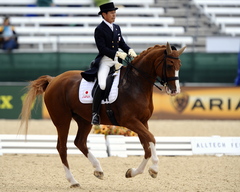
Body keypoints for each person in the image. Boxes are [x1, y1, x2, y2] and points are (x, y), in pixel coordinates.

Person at [81, 2, 137, 125]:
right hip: (105, 62)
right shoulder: (99, 29)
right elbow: (102, 48)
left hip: (117, 62)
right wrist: (116, 54)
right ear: (104, 14)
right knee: (101, 84)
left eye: (115, 12)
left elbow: (121, 43)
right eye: (111, 13)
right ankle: (95, 113)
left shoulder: (117, 27)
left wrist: (129, 50)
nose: (114, 15)